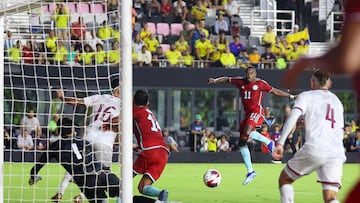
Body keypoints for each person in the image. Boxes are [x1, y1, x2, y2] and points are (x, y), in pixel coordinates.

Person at [208, 66, 295, 185]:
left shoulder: (260, 84)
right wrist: (215, 80)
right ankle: (250, 171)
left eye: (251, 73)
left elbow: (275, 91)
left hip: (257, 112)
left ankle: (268, 142)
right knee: (242, 143)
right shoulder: (240, 82)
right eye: (248, 73)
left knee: (248, 130)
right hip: (248, 114)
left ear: (255, 74)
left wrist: (291, 96)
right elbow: (227, 79)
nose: (249, 75)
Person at [272, 70, 346, 203]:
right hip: (336, 151)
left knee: (285, 179)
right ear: (329, 84)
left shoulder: (306, 96)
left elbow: (292, 117)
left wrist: (280, 143)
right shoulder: (337, 101)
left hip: (316, 147)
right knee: (330, 197)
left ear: (312, 82)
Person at [52, 78, 121, 202]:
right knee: (103, 175)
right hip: (104, 142)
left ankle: (61, 192)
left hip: (88, 139)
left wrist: (63, 98)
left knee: (77, 167)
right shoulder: (123, 105)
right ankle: (84, 197)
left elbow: (78, 102)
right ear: (120, 90)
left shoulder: (99, 97)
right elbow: (119, 123)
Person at [28, 117, 120, 203]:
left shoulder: (55, 147)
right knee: (125, 194)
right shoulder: (83, 141)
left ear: (59, 130)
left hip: (87, 183)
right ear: (73, 129)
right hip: (102, 174)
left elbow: (38, 165)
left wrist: (33, 177)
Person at [133, 90, 169, 202]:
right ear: (147, 102)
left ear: (134, 101)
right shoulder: (149, 113)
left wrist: (105, 126)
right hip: (163, 152)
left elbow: (118, 120)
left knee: (124, 181)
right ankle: (160, 195)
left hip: (149, 150)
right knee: (142, 187)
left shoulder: (135, 111)